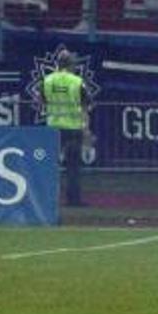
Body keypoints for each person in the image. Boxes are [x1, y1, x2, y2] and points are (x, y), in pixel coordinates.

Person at [42, 50, 90, 207]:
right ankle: (73, 199)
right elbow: (85, 105)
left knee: (49, 165)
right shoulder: (77, 82)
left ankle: (47, 199)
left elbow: (42, 100)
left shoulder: (48, 80)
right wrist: (86, 129)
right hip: (73, 127)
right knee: (73, 166)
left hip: (53, 127)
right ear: (71, 65)